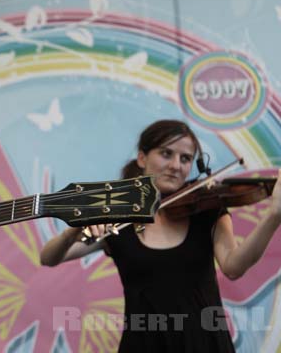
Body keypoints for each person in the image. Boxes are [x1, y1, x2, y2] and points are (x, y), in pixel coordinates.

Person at [40, 119, 281, 352]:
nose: (176, 165)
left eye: (185, 158)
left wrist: (273, 216)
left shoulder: (208, 211)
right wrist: (73, 229)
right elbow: (49, 257)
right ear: (142, 158)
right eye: (166, 154)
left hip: (204, 343)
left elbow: (233, 266)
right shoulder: (118, 218)